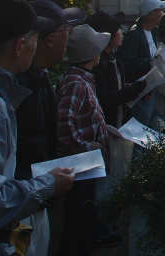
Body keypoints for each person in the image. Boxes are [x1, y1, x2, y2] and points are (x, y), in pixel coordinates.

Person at [0, 0, 74, 256]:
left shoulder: (6, 93)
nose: (36, 46)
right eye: (35, 38)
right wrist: (48, 184)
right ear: (19, 45)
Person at [56, 24, 113, 255]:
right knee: (78, 221)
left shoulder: (82, 80)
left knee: (84, 216)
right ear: (92, 55)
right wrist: (88, 146)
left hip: (87, 164)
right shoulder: (76, 84)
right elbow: (64, 126)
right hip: (81, 165)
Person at [16, 0, 83, 179]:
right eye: (67, 31)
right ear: (51, 39)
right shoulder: (19, 88)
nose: (69, 39)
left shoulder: (40, 76)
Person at [86, 11, 145, 127]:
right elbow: (106, 99)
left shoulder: (113, 58)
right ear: (109, 35)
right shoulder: (98, 64)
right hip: (106, 124)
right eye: (118, 29)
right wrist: (132, 91)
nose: (121, 33)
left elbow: (118, 86)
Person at [118, 0, 165, 125]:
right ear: (150, 14)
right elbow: (128, 64)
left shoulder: (154, 32)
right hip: (141, 92)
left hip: (153, 88)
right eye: (160, 10)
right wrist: (150, 62)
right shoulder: (134, 34)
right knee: (141, 126)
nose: (163, 13)